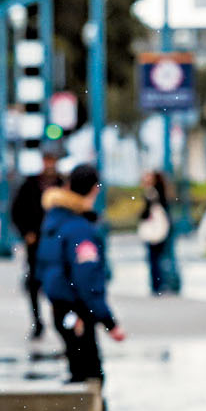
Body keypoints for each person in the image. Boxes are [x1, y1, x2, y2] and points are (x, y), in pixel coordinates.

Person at [37, 162, 126, 385]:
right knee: (91, 375)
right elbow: (87, 280)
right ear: (95, 189)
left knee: (76, 371)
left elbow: (44, 266)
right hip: (78, 309)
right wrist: (109, 322)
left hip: (60, 305)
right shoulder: (80, 229)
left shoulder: (53, 221)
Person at [12, 164, 53, 338]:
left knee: (55, 282)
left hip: (53, 243)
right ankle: (37, 321)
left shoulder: (59, 183)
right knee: (34, 283)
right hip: (36, 244)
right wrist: (26, 232)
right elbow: (16, 210)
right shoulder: (30, 185)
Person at [137, 167, 180, 296]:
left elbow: (146, 213)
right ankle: (164, 285)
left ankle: (162, 285)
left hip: (159, 230)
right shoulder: (161, 192)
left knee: (160, 259)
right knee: (163, 258)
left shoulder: (152, 193)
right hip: (161, 229)